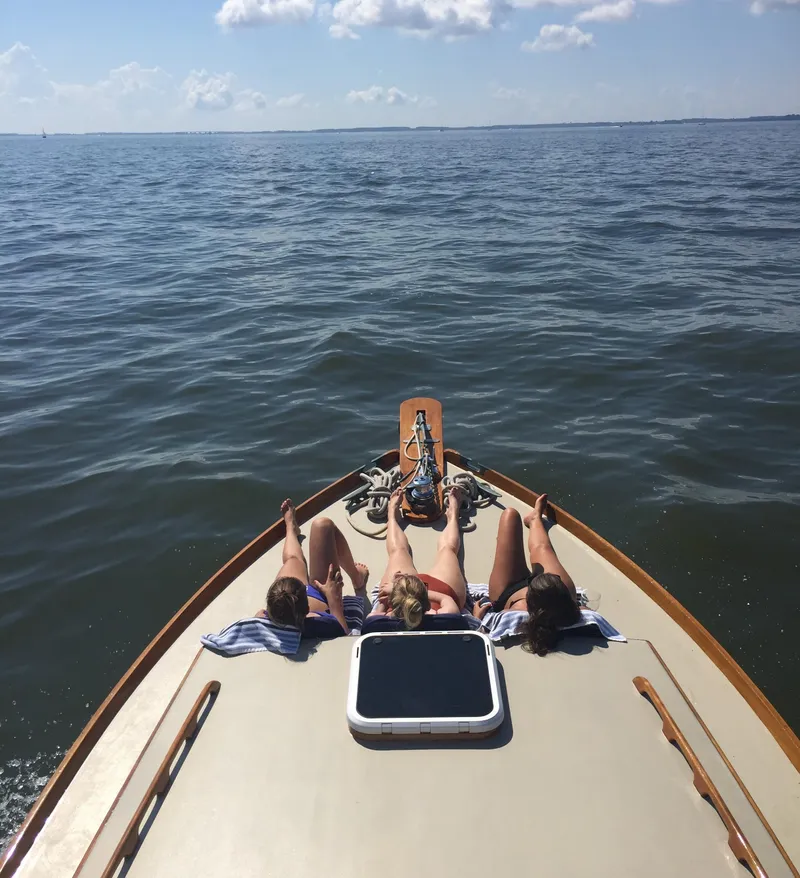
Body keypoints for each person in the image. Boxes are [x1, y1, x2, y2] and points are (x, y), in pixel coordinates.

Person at [475, 492, 580, 656]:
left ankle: (534, 519)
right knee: (542, 549)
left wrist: (478, 619)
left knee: (510, 515)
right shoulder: (572, 612)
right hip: (551, 593)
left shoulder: (513, 613)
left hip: (509, 591)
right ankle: (534, 519)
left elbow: (488, 624)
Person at [257, 499, 369, 635]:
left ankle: (291, 528)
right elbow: (343, 633)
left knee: (293, 560)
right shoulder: (319, 623)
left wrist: (262, 615)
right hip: (322, 598)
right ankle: (357, 578)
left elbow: (260, 614)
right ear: (306, 607)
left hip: (285, 610)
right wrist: (333, 601)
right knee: (323, 526)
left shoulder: (263, 623)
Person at [369, 485, 467, 629]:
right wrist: (404, 591)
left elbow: (380, 605)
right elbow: (446, 599)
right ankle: (453, 515)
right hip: (440, 591)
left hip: (406, 598)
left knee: (398, 552)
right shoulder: (446, 616)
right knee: (447, 550)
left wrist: (397, 591)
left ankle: (391, 516)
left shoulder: (379, 623)